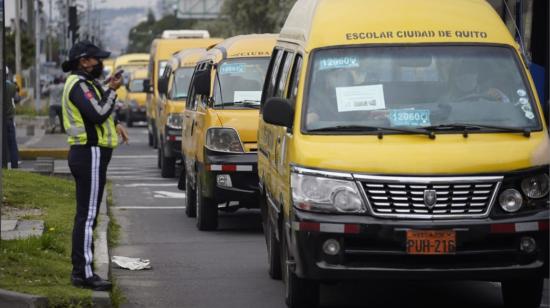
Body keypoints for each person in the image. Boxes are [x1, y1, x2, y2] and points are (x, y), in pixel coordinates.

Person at [61, 40, 129, 291]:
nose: (100, 63)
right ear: (84, 61)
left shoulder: (87, 83)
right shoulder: (78, 85)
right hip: (88, 153)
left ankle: (82, 270)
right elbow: (98, 112)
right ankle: (84, 274)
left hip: (91, 154)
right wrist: (112, 92)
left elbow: (101, 108)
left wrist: (109, 88)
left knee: (86, 215)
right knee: (88, 217)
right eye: (96, 59)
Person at [2, 67, 21, 169]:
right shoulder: (12, 86)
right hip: (9, 119)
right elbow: (17, 99)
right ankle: (15, 165)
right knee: (12, 144)